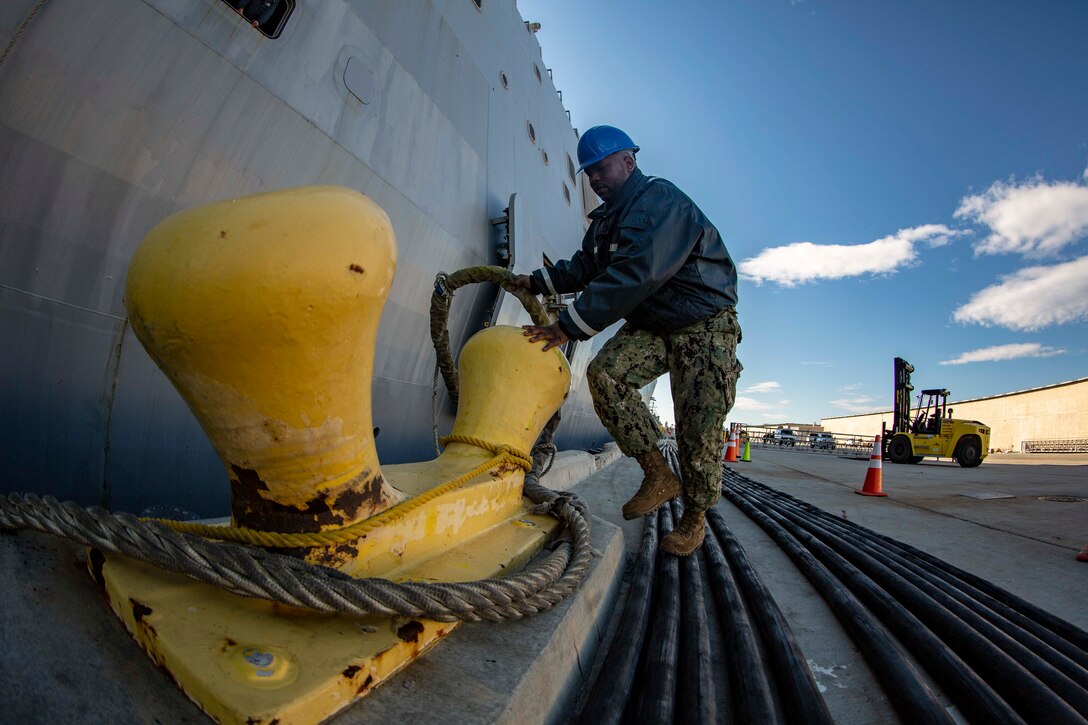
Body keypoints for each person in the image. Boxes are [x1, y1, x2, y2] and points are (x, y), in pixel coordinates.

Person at [518, 125, 742, 556]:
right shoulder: (607, 221)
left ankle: (695, 518)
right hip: (658, 324)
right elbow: (587, 265)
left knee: (699, 429)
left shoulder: (660, 201)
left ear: (628, 161)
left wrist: (568, 325)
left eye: (601, 167)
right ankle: (658, 473)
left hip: (704, 324)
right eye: (588, 173)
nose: (594, 179)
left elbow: (638, 271)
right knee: (606, 375)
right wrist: (537, 280)